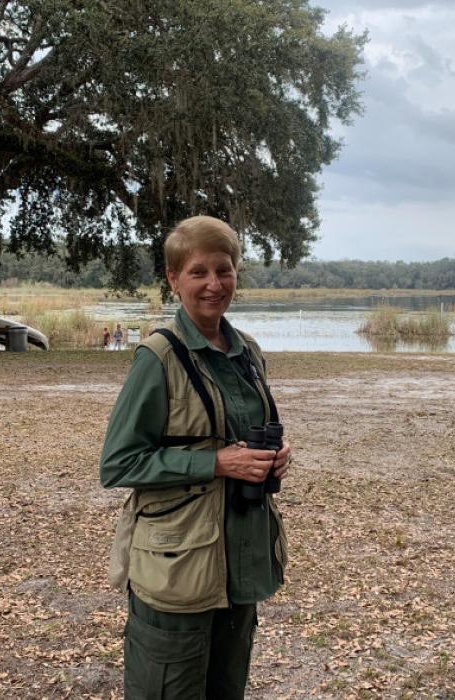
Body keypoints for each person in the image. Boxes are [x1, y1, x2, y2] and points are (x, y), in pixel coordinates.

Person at [99, 215, 292, 699]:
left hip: (241, 563)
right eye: (198, 272)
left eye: (223, 270)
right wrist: (216, 463)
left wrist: (274, 458)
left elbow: (245, 433)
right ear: (173, 279)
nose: (213, 284)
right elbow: (118, 463)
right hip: (177, 566)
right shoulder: (158, 358)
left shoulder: (247, 350)